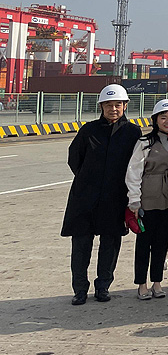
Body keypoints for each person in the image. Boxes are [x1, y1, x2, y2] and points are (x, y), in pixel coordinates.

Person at [62, 84, 142, 305]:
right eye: (108, 104)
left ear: (125, 105)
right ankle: (79, 289)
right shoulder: (88, 130)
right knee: (81, 245)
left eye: (117, 104)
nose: (113, 109)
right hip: (84, 198)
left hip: (115, 198)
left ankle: (103, 286)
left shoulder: (132, 132)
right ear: (101, 106)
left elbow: (136, 165)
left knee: (110, 244)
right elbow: (74, 158)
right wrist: (89, 180)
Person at [126, 98, 168, 300]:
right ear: (155, 119)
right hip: (148, 197)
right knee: (144, 242)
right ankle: (142, 284)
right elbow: (134, 171)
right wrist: (134, 200)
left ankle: (157, 282)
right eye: (163, 117)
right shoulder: (145, 143)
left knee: (162, 242)